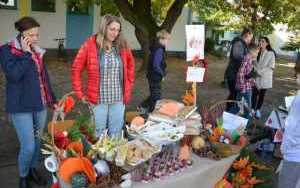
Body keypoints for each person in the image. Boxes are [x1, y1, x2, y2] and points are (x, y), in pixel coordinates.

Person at [0, 17, 56, 188]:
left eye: (37, 34)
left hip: (39, 105)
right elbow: (14, 75)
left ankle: (32, 171)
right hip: (21, 107)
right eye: (31, 35)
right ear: (22, 34)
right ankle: (23, 177)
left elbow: (43, 77)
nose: (35, 38)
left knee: (38, 143)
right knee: (28, 146)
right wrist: (25, 53)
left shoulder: (37, 51)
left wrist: (52, 99)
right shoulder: (6, 50)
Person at [72, 14, 135, 138]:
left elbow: (130, 67)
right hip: (98, 100)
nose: (115, 33)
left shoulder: (123, 45)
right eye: (112, 29)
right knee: (97, 133)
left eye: (118, 30)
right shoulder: (90, 45)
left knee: (116, 132)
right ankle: (98, 157)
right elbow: (76, 69)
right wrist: (79, 93)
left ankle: (114, 157)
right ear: (104, 28)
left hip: (118, 98)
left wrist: (128, 86)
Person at [278, 63, 300, 188]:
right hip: (295, 150)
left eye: (298, 73)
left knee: (287, 183)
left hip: (295, 153)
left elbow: (294, 128)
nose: (296, 76)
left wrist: (285, 147)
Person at [139, 30, 170, 113]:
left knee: (154, 93)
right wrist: (162, 74)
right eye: (167, 39)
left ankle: (143, 106)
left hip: (152, 75)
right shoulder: (159, 49)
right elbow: (156, 65)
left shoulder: (156, 47)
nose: (168, 41)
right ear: (162, 39)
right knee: (156, 95)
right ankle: (150, 111)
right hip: (155, 76)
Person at [224, 28, 253, 111]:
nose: (250, 40)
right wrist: (248, 65)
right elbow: (238, 58)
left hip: (235, 74)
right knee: (234, 95)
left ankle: (229, 112)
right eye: (250, 37)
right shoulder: (239, 43)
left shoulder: (242, 43)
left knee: (234, 95)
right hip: (233, 74)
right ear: (247, 34)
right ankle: (229, 112)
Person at [252, 37, 276, 119]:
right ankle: (252, 109)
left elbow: (271, 67)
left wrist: (259, 72)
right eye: (260, 41)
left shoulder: (271, 53)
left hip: (265, 77)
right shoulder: (257, 51)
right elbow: (253, 63)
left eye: (263, 41)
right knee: (254, 93)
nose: (260, 43)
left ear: (267, 43)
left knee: (261, 94)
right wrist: (255, 71)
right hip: (256, 76)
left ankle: (258, 110)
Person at [235, 44, 259, 119]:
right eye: (257, 52)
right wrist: (242, 87)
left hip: (246, 86)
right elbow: (240, 73)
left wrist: (254, 83)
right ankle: (245, 124)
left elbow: (248, 74)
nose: (257, 54)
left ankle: (239, 122)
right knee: (247, 108)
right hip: (245, 88)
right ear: (252, 51)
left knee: (239, 105)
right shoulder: (247, 58)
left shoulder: (250, 58)